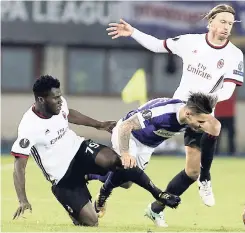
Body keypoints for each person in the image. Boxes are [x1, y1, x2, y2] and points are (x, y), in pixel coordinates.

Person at [106, 3, 244, 226]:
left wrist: (210, 100)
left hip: (202, 113)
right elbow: (158, 46)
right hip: (180, 109)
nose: (227, 27)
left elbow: (228, 89)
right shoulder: (191, 42)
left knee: (192, 172)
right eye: (223, 22)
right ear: (211, 22)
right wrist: (133, 32)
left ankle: (158, 207)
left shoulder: (234, 55)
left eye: (230, 24)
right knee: (212, 128)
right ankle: (111, 167)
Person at [11, 75, 180, 227]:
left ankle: (159, 194)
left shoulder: (59, 104)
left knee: (120, 163)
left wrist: (99, 124)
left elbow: (69, 114)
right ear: (41, 100)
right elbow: (19, 166)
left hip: (79, 150)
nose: (60, 100)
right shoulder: (29, 127)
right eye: (55, 98)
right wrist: (22, 200)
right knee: (91, 222)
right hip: (62, 175)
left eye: (60, 96)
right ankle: (78, 199)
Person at [86, 93, 217, 223]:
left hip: (147, 146)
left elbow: (212, 127)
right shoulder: (163, 113)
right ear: (188, 114)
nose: (202, 125)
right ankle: (102, 195)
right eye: (200, 122)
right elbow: (126, 126)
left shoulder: (190, 116)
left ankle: (89, 174)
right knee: (128, 167)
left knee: (127, 183)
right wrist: (126, 153)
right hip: (129, 134)